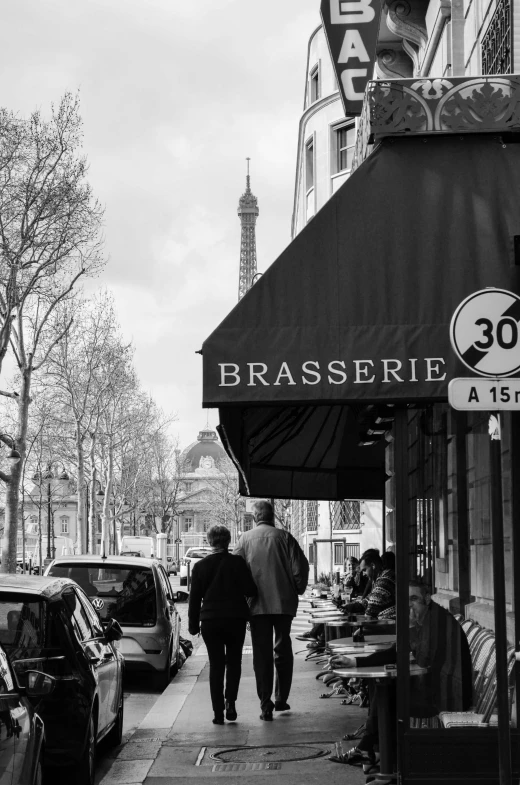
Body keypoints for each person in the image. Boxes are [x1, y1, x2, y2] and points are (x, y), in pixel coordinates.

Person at [328, 578, 472, 765]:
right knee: (382, 686)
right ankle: (376, 750)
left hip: (450, 695)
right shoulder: (427, 618)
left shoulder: (436, 620)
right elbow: (396, 651)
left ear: (427, 598)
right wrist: (354, 661)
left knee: (387, 693)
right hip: (439, 686)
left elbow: (423, 659)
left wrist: (410, 627)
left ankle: (378, 753)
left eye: (414, 598)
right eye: (405, 600)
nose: (409, 604)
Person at [234, 500, 309, 721]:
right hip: (283, 603)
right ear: (272, 515)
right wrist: (296, 588)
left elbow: (236, 572)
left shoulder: (244, 540)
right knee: (283, 650)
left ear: (256, 517)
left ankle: (265, 704)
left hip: (257, 605)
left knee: (261, 655)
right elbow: (300, 568)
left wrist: (244, 599)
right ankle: (281, 698)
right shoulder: (285, 537)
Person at [188, 524, 257, 725]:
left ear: (209, 542)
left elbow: (194, 599)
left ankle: (218, 713)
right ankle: (230, 702)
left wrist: (193, 625)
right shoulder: (237, 563)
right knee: (234, 662)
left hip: (210, 621)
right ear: (228, 541)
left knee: (216, 665)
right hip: (235, 619)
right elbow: (251, 590)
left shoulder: (200, 567)